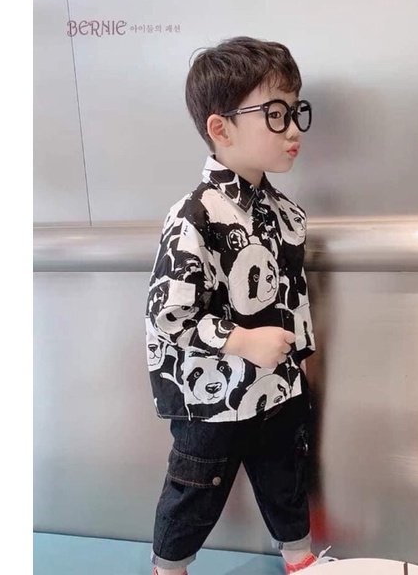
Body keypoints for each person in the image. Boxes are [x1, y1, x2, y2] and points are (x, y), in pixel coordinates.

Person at [145, 36, 336, 575]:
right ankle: (168, 567)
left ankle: (299, 556)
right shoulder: (195, 216)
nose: (293, 130)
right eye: (275, 114)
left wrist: (301, 362)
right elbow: (169, 313)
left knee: (284, 473)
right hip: (213, 395)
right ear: (221, 128)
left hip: (278, 387)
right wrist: (242, 340)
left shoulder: (286, 214)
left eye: (295, 111)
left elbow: (294, 297)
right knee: (196, 487)